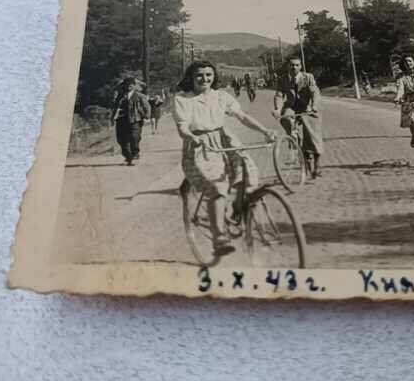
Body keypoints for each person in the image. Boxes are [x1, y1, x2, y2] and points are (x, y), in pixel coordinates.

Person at [174, 60, 277, 255]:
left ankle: (237, 211)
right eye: (199, 75)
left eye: (208, 75)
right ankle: (219, 236)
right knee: (217, 186)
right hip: (200, 145)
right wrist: (192, 137)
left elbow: (242, 117)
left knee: (246, 173)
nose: (205, 79)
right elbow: (182, 127)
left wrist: (265, 130)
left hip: (225, 140)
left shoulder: (221, 96)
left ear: (214, 76)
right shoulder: (183, 99)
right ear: (191, 78)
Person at [273, 57, 325, 178]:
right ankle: (294, 138)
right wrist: (277, 109)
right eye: (291, 65)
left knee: (314, 136)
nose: (294, 67)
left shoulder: (308, 77)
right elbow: (279, 96)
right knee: (285, 117)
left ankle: (317, 165)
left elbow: (315, 92)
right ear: (288, 67)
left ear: (301, 66)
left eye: (297, 65)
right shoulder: (282, 79)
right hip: (292, 107)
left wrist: (314, 105)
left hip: (309, 108)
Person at [113, 77, 151, 165]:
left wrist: (147, 116)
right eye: (127, 85)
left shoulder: (139, 96)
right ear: (124, 86)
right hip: (121, 120)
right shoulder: (120, 96)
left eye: (131, 85)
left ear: (134, 86)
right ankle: (128, 156)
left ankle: (135, 155)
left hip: (135, 120)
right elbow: (115, 108)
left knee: (134, 138)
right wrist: (112, 118)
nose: (129, 86)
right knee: (121, 139)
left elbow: (147, 106)